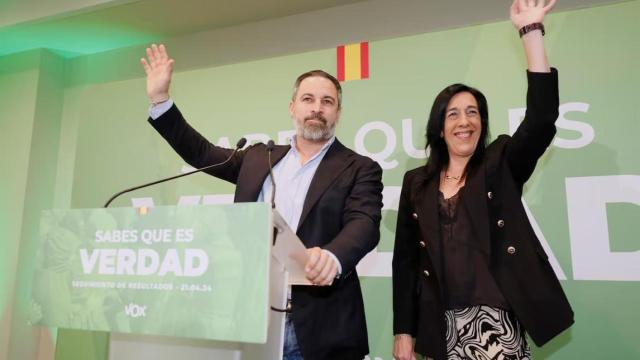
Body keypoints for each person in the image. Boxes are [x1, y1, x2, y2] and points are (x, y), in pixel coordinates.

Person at [140, 45, 383, 360]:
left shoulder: (360, 167)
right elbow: (200, 153)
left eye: (327, 101)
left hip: (319, 325)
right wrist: (161, 100)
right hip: (252, 315)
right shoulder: (259, 157)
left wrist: (333, 258)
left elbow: (364, 223)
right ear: (292, 107)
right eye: (308, 99)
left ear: (337, 112)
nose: (317, 108)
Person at [392, 1, 573, 359]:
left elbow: (541, 119)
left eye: (473, 112)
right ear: (440, 128)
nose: (464, 121)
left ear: (482, 123)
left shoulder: (500, 163)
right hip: (439, 326)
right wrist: (404, 331)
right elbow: (406, 262)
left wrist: (530, 33)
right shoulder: (416, 183)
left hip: (497, 324)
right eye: (454, 114)